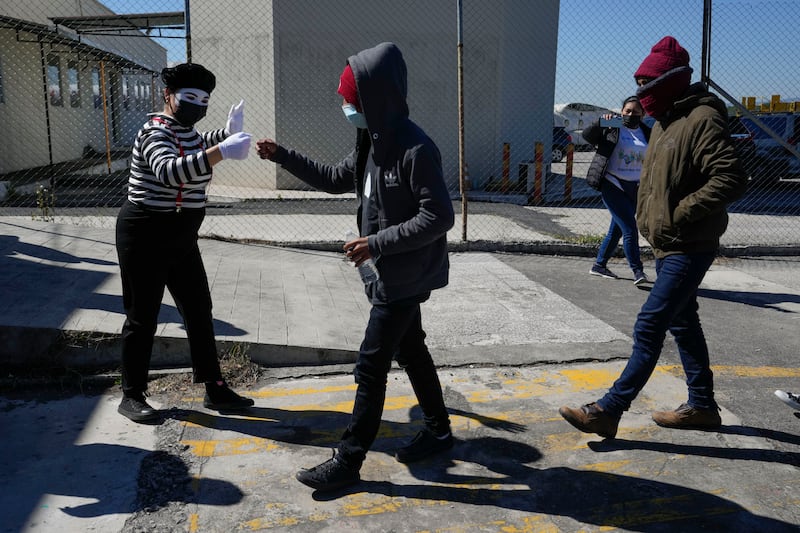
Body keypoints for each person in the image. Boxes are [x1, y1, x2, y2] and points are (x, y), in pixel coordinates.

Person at [257, 42, 455, 492]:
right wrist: (282, 155)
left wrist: (377, 243)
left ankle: (348, 460)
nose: (346, 107)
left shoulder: (415, 148)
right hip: (386, 272)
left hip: (402, 278)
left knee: (370, 366)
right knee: (412, 350)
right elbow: (332, 179)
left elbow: (439, 216)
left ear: (373, 99)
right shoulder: (372, 140)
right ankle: (440, 430)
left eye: (351, 101)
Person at [559, 36, 748, 438]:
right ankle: (701, 406)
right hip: (668, 242)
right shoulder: (663, 122)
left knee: (650, 325)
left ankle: (608, 410)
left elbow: (730, 178)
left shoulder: (702, 119)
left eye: (648, 85)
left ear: (671, 82)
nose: (641, 92)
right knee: (683, 323)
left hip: (689, 243)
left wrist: (679, 214)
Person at [116, 62, 255, 422]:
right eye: (190, 98)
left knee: (198, 309)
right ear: (168, 96)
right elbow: (170, 171)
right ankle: (131, 394)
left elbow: (198, 142)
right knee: (142, 315)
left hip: (180, 237)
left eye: (204, 100)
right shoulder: (153, 131)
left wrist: (225, 134)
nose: (198, 105)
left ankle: (214, 387)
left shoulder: (185, 131)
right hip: (145, 234)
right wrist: (222, 151)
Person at [584, 96, 651, 286]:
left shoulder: (646, 131)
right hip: (612, 183)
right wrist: (600, 122)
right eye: (627, 111)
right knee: (630, 228)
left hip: (635, 188)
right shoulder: (613, 125)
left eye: (636, 112)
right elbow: (588, 135)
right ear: (621, 112)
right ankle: (638, 271)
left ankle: (599, 265)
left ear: (642, 114)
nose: (630, 115)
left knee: (616, 231)